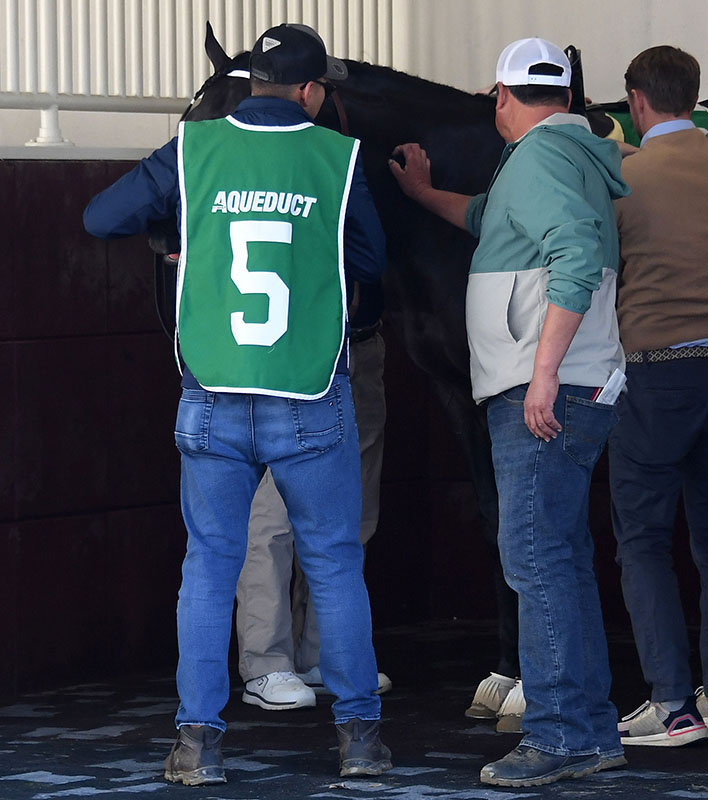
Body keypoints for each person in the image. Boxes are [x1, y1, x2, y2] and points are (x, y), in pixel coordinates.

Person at [82, 22, 391, 785]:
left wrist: (183, 228)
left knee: (209, 569)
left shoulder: (193, 152)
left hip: (212, 396)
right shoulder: (339, 157)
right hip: (310, 395)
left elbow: (98, 218)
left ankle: (198, 745)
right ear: (313, 91)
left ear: (252, 82)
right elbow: (373, 264)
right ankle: (359, 742)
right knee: (335, 566)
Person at [390, 37, 629, 788]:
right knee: (560, 560)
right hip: (575, 385)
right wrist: (427, 195)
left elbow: (576, 254)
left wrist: (542, 375)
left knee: (534, 559)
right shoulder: (567, 156)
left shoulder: (539, 161)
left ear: (501, 98)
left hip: (545, 393)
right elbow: (494, 217)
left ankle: (558, 736)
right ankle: (587, 729)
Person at [608, 45, 708, 748]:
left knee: (641, 542)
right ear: (695, 98)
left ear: (636, 102)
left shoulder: (626, 176)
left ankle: (671, 706)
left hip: (656, 376)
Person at [236, 281, 392, 711]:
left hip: (358, 342)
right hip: (290, 344)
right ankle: (266, 663)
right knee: (273, 516)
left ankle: (323, 656)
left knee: (352, 515)